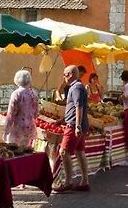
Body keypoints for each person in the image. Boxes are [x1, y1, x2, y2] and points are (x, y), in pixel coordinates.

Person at [54, 65, 90, 193]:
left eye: (64, 75)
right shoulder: (78, 87)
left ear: (69, 74)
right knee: (80, 152)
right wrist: (62, 120)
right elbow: (74, 107)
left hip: (74, 125)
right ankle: (85, 181)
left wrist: (78, 126)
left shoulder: (76, 87)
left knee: (64, 152)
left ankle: (68, 181)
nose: (63, 77)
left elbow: (78, 106)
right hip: (76, 123)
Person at [4, 69, 38, 146]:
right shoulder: (34, 94)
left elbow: (11, 114)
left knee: (15, 150)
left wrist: (6, 130)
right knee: (26, 151)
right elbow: (36, 113)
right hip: (30, 126)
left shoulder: (16, 94)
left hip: (18, 127)